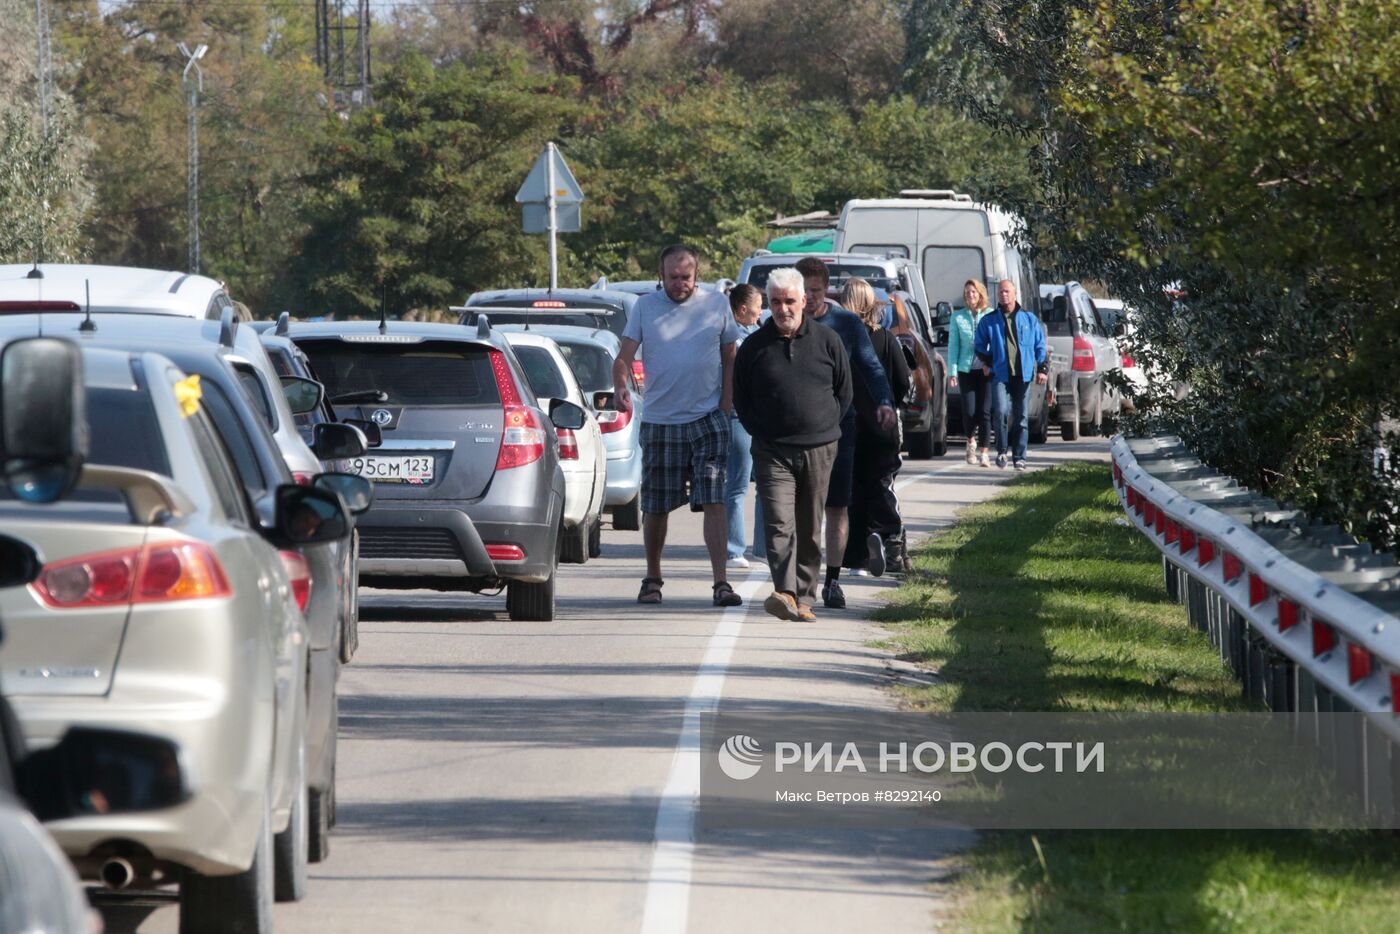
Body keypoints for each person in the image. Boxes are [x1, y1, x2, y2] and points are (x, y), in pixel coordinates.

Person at [614, 244, 743, 607]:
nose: (679, 283)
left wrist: (726, 403)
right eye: (672, 277)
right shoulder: (645, 307)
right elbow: (623, 357)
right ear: (661, 275)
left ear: (696, 275)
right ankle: (652, 578)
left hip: (708, 418)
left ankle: (721, 583)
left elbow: (730, 356)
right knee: (655, 504)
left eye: (685, 277)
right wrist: (621, 386)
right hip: (661, 421)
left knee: (714, 498)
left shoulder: (717, 304)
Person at [734, 267, 852, 622]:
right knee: (778, 521)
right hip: (772, 451)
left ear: (804, 300)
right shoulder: (754, 347)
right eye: (775, 302)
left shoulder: (828, 341)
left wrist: (825, 428)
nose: (783, 308)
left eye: (789, 301)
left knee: (809, 524)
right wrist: (763, 432)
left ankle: (805, 597)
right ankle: (784, 591)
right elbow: (741, 398)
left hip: (819, 448)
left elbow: (844, 392)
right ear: (767, 304)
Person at [793, 256, 896, 610]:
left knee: (838, 505)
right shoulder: (785, 322)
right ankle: (797, 578)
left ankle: (833, 580)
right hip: (795, 430)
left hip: (840, 426)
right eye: (802, 291)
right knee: (802, 507)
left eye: (815, 291)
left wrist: (884, 401)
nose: (808, 299)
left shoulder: (846, 323)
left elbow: (871, 366)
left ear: (827, 289)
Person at [838, 277, 912, 577]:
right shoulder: (885, 339)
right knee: (882, 486)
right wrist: (891, 402)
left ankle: (855, 556)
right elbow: (903, 381)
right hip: (882, 424)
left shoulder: (837, 338)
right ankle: (889, 543)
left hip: (846, 424)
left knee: (851, 490)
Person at [973, 279, 1048, 470]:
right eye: (1000, 292)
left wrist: (1042, 369)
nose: (1003, 295)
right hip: (1000, 375)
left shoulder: (1029, 319)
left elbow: (1040, 346)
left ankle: (1020, 456)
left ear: (1015, 293)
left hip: (1023, 376)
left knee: (1021, 416)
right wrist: (988, 361)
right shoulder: (990, 320)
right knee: (1000, 412)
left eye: (1007, 291)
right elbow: (979, 344)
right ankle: (1001, 451)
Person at [722, 284, 764, 569]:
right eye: (758, 307)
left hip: (762, 417)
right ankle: (734, 548)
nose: (761, 312)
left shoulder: (757, 334)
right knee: (738, 482)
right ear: (742, 309)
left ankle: (762, 547)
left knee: (766, 482)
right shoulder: (732, 338)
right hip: (739, 415)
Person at [948, 279, 994, 467]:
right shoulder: (958, 317)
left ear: (980, 294)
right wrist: (952, 371)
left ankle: (984, 452)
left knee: (984, 412)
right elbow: (953, 346)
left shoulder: (990, 315)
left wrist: (989, 363)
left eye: (973, 292)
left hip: (985, 371)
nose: (970, 295)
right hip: (966, 370)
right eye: (967, 292)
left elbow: (995, 343)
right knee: (969, 411)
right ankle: (970, 441)